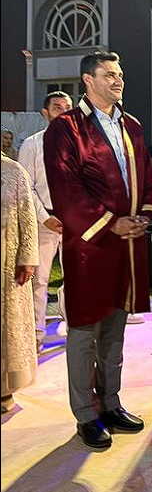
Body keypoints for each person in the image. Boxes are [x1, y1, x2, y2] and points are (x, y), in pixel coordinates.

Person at [43, 51, 152, 449]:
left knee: (115, 327)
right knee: (83, 331)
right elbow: (66, 188)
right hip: (90, 243)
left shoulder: (131, 125)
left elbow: (146, 176)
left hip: (127, 244)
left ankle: (110, 403)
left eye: (120, 74)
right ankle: (85, 414)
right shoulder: (66, 129)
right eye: (109, 74)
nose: (118, 80)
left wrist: (145, 216)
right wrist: (112, 222)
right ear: (87, 80)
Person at [18, 91, 72, 348]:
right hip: (44, 221)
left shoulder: (82, 144)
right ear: (46, 112)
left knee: (76, 279)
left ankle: (75, 329)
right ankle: (36, 334)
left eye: (68, 107)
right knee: (39, 280)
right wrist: (44, 218)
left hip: (74, 221)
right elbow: (26, 186)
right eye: (57, 107)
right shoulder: (32, 144)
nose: (63, 112)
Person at [1, 155, 39, 413]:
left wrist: (27, 259)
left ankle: (4, 389)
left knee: (7, 326)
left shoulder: (13, 171)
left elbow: (28, 216)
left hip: (7, 263)